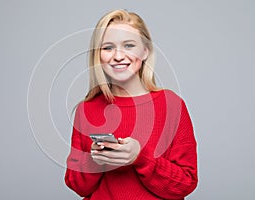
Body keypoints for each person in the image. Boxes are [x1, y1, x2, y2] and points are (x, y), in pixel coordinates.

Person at [65, 9, 198, 200]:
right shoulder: (86, 109)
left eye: (128, 45)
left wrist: (140, 157)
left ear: (145, 51)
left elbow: (185, 184)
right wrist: (97, 160)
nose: (118, 56)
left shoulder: (171, 105)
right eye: (108, 47)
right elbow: (77, 186)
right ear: (98, 55)